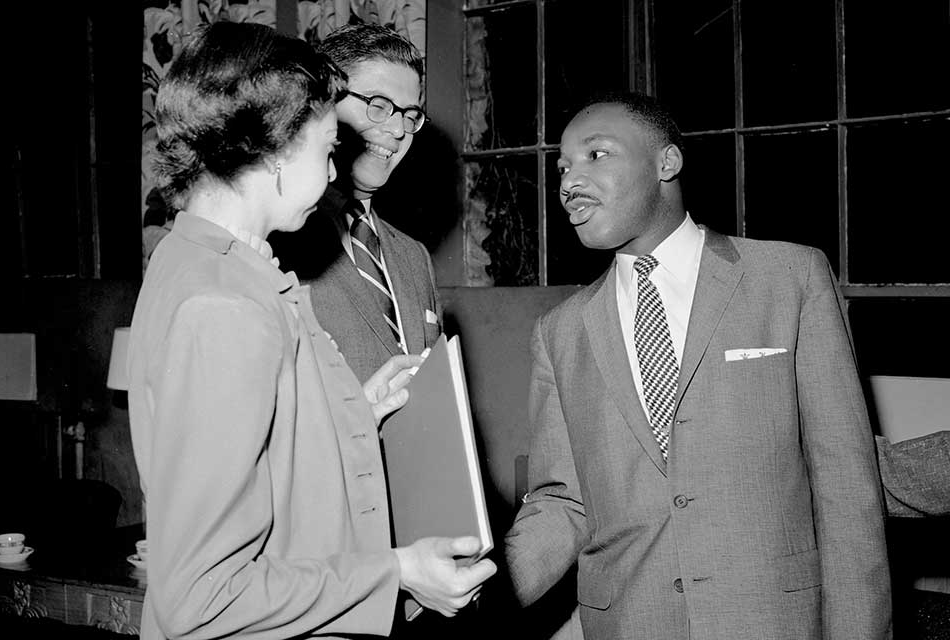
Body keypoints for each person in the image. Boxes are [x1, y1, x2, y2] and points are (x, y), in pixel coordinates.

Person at [128, 21, 495, 640]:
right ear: (274, 149)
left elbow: (270, 446)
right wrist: (396, 571)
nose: (334, 174)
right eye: (328, 149)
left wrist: (356, 409)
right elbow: (202, 597)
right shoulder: (226, 306)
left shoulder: (197, 258)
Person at [503, 91, 891, 639]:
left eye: (596, 155)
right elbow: (564, 503)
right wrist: (479, 584)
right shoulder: (560, 331)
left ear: (667, 162)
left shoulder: (790, 279)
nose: (568, 182)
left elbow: (846, 489)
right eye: (562, 166)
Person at [272, 23, 441, 382]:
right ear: (324, 104)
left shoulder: (414, 257)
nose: (398, 131)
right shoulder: (272, 241)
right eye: (379, 106)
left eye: (410, 116)